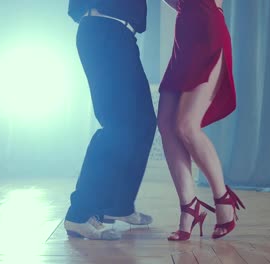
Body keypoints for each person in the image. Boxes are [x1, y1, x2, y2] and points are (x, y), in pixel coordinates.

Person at [64, 0, 156, 240]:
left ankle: (119, 206)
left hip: (122, 36)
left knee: (144, 124)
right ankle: (79, 214)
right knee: (118, 126)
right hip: (104, 31)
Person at [158, 0, 245, 241]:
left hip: (207, 28)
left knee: (186, 126)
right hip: (185, 33)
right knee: (166, 125)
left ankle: (223, 199)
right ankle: (189, 208)